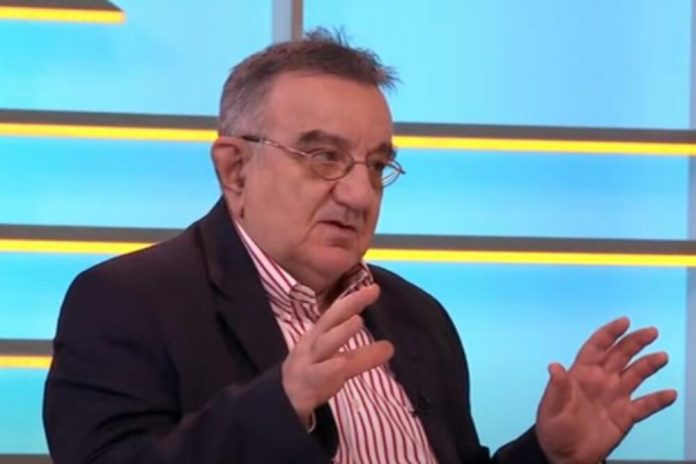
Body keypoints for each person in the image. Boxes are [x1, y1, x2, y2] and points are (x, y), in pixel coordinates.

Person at [43, 29, 677, 464]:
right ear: (235, 169)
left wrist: (549, 455)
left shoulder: (416, 316)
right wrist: (281, 406)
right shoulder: (127, 301)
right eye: (324, 156)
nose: (358, 192)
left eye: (375, 165)